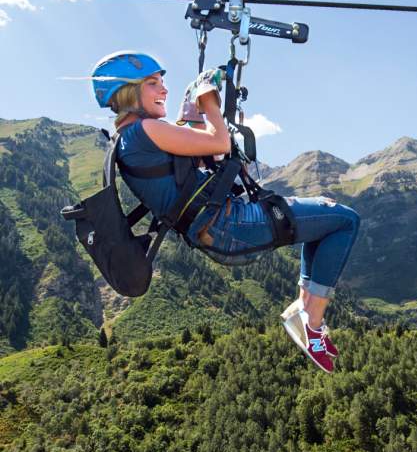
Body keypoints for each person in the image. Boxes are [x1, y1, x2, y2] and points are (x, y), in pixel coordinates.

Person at [92, 51, 360, 373]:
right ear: (127, 91)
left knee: (322, 217)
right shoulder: (146, 130)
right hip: (232, 224)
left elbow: (188, 142)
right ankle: (311, 323)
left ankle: (304, 310)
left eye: (162, 82)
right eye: (153, 83)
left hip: (218, 227)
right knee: (344, 220)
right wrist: (208, 101)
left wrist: (198, 103)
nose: (163, 89)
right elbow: (218, 143)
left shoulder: (129, 138)